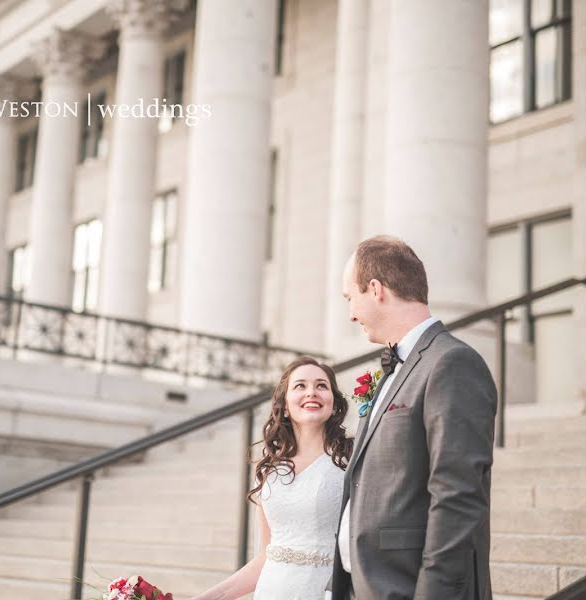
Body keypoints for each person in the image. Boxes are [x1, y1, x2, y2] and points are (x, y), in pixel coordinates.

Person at [327, 236, 497, 600]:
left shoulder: (451, 363)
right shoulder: (394, 367)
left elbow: (458, 496)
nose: (351, 314)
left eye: (349, 299)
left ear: (375, 290)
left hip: (408, 588)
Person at [191, 356, 354, 600]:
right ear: (285, 405)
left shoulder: (348, 463)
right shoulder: (270, 472)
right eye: (300, 386)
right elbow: (263, 559)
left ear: (333, 402)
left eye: (321, 385)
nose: (312, 392)